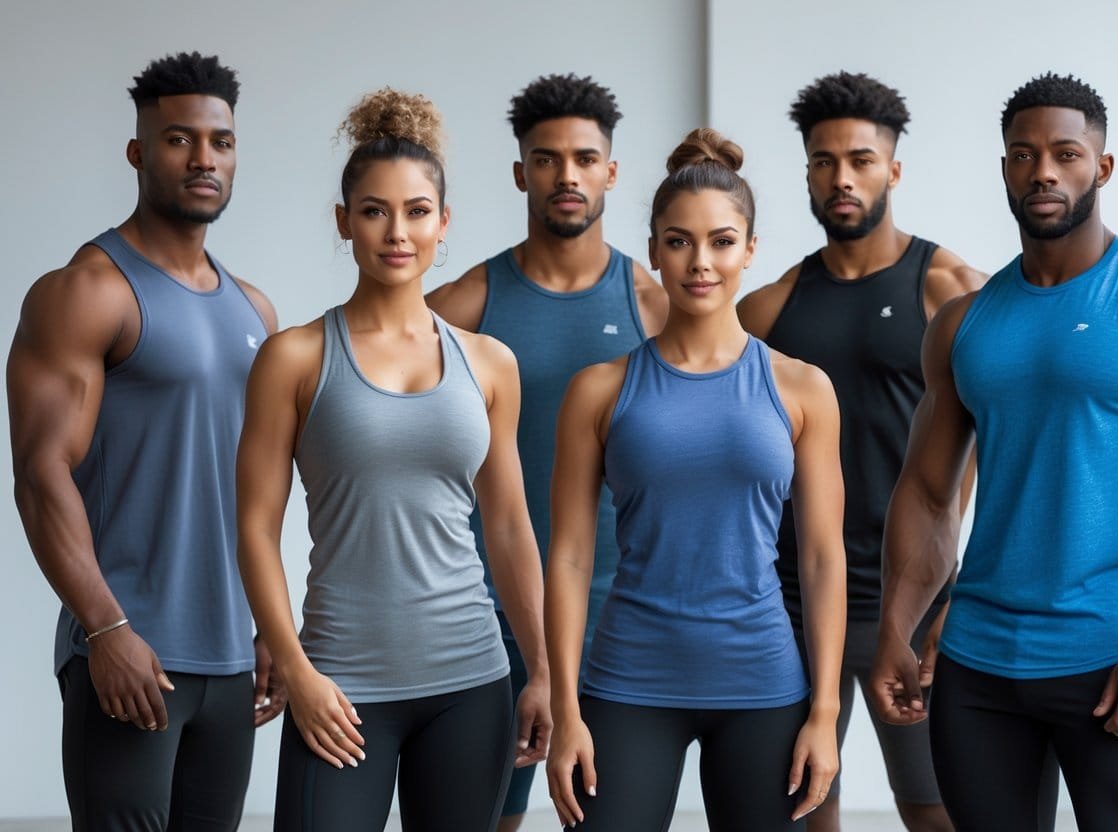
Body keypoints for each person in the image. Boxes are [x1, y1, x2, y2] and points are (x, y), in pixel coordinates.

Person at [870, 72, 1118, 831]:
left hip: (1107, 665)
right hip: (975, 669)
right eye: (1023, 156)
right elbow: (927, 493)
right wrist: (896, 625)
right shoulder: (963, 323)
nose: (1043, 172)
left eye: (1065, 154)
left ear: (1102, 167)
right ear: (1004, 169)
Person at [236, 88, 550, 832]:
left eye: (416, 211)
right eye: (374, 211)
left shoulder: (490, 364)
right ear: (344, 221)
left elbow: (509, 527)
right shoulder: (294, 358)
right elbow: (253, 527)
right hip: (340, 685)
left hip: (471, 681)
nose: (397, 231)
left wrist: (542, 672)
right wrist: (297, 669)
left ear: (444, 223)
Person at [8, 52, 280, 830]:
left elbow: (254, 488)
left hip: (231, 658)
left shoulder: (255, 311)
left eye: (221, 142)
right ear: (138, 152)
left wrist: (270, 625)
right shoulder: (88, 291)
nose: (203, 160)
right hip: (131, 652)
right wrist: (105, 627)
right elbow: (41, 473)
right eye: (179, 139)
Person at [545, 128, 846, 831]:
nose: (700, 262)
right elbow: (569, 556)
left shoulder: (802, 388)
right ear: (653, 250)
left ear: (750, 250)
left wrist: (825, 713)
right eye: (679, 242)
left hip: (763, 682)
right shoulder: (598, 389)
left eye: (721, 241)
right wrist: (565, 710)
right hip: (627, 679)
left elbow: (822, 557)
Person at [737, 71, 987, 832]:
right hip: (792, 602)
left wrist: (966, 591)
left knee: (935, 810)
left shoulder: (950, 290)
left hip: (911, 599)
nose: (841, 178)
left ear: (893, 170)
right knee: (802, 805)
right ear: (807, 173)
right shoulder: (768, 309)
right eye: (824, 161)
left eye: (860, 160)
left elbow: (1009, 452)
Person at [426, 72, 666, 831]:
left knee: (603, 815)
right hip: (493, 611)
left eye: (585, 159)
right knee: (490, 817)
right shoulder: (465, 305)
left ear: (610, 172)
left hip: (618, 610)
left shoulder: (653, 304)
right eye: (547, 159)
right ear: (519, 172)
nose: (567, 175)